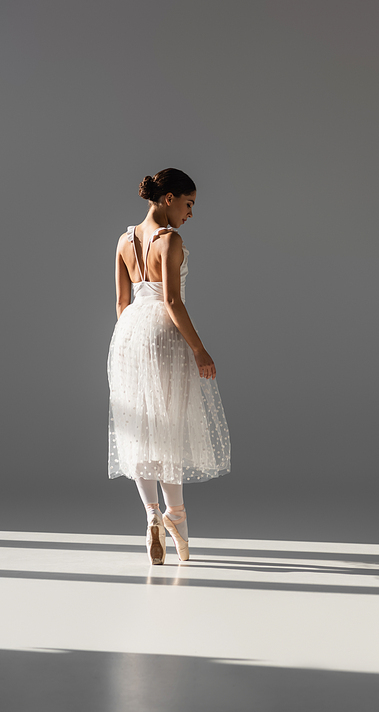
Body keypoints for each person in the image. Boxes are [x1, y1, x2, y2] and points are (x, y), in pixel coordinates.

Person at [107, 168, 231, 565]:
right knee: (169, 426)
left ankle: (150, 517)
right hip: (163, 333)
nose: (190, 213)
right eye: (189, 204)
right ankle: (176, 516)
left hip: (128, 336)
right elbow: (173, 302)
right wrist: (199, 349)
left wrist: (127, 342)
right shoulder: (170, 240)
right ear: (168, 198)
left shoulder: (125, 240)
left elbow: (121, 303)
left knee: (142, 428)